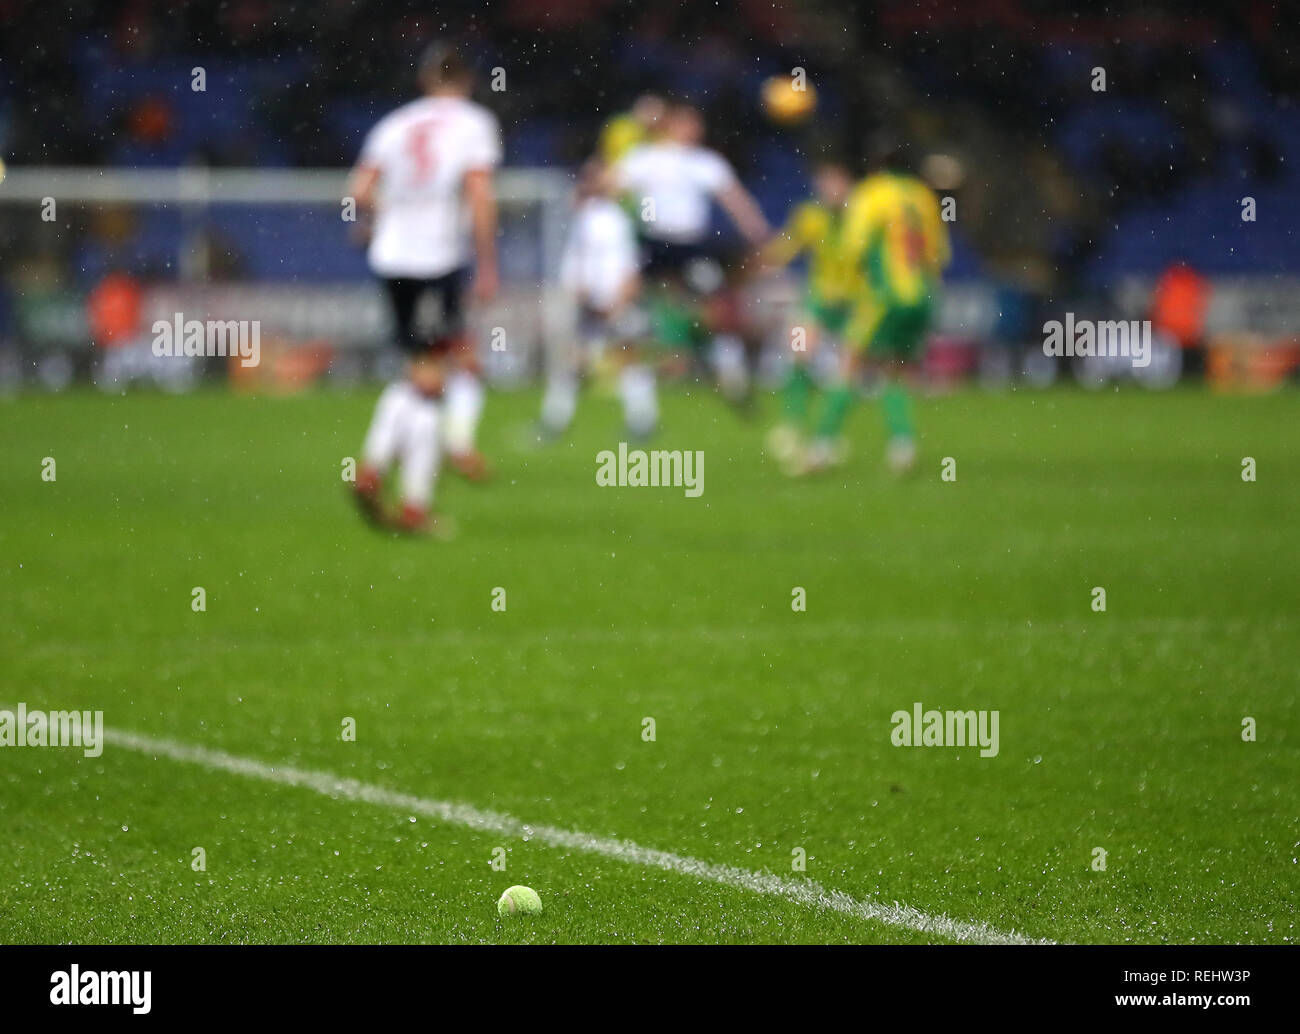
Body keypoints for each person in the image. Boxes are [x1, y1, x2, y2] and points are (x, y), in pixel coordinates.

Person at [346, 42, 501, 534]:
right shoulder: (474, 124)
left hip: (391, 257)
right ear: (469, 81)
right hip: (437, 258)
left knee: (425, 368)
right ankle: (380, 475)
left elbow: (357, 192)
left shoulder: (395, 124)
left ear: (425, 80)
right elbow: (479, 193)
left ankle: (407, 498)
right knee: (434, 375)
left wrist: (374, 223)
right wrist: (488, 263)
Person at [800, 141, 950, 475]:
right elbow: (939, 253)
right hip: (923, 295)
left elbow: (854, 247)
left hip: (887, 296)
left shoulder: (872, 193)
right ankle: (903, 449)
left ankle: (820, 449)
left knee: (848, 366)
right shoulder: (923, 195)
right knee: (895, 371)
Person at [612, 102, 770, 402]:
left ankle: (732, 379)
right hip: (655, 243)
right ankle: (636, 389)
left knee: (718, 309)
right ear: (671, 125)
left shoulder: (705, 162)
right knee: (628, 308)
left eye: (697, 125)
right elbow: (612, 186)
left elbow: (735, 199)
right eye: (689, 124)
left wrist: (757, 231)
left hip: (691, 245)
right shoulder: (645, 157)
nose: (695, 131)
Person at [539, 159, 656, 439]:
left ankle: (642, 421)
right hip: (589, 300)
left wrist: (620, 298)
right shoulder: (587, 215)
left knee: (627, 358)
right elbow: (578, 259)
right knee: (573, 361)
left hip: (612, 300)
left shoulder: (616, 217)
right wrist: (577, 289)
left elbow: (629, 263)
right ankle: (555, 420)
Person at [757, 159, 857, 470]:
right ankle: (793, 424)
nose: (831, 191)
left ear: (849, 184)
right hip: (819, 300)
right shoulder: (809, 216)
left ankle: (828, 434)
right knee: (798, 349)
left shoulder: (865, 216)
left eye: (836, 183)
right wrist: (769, 258)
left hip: (855, 303)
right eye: (825, 184)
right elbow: (789, 244)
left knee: (849, 371)